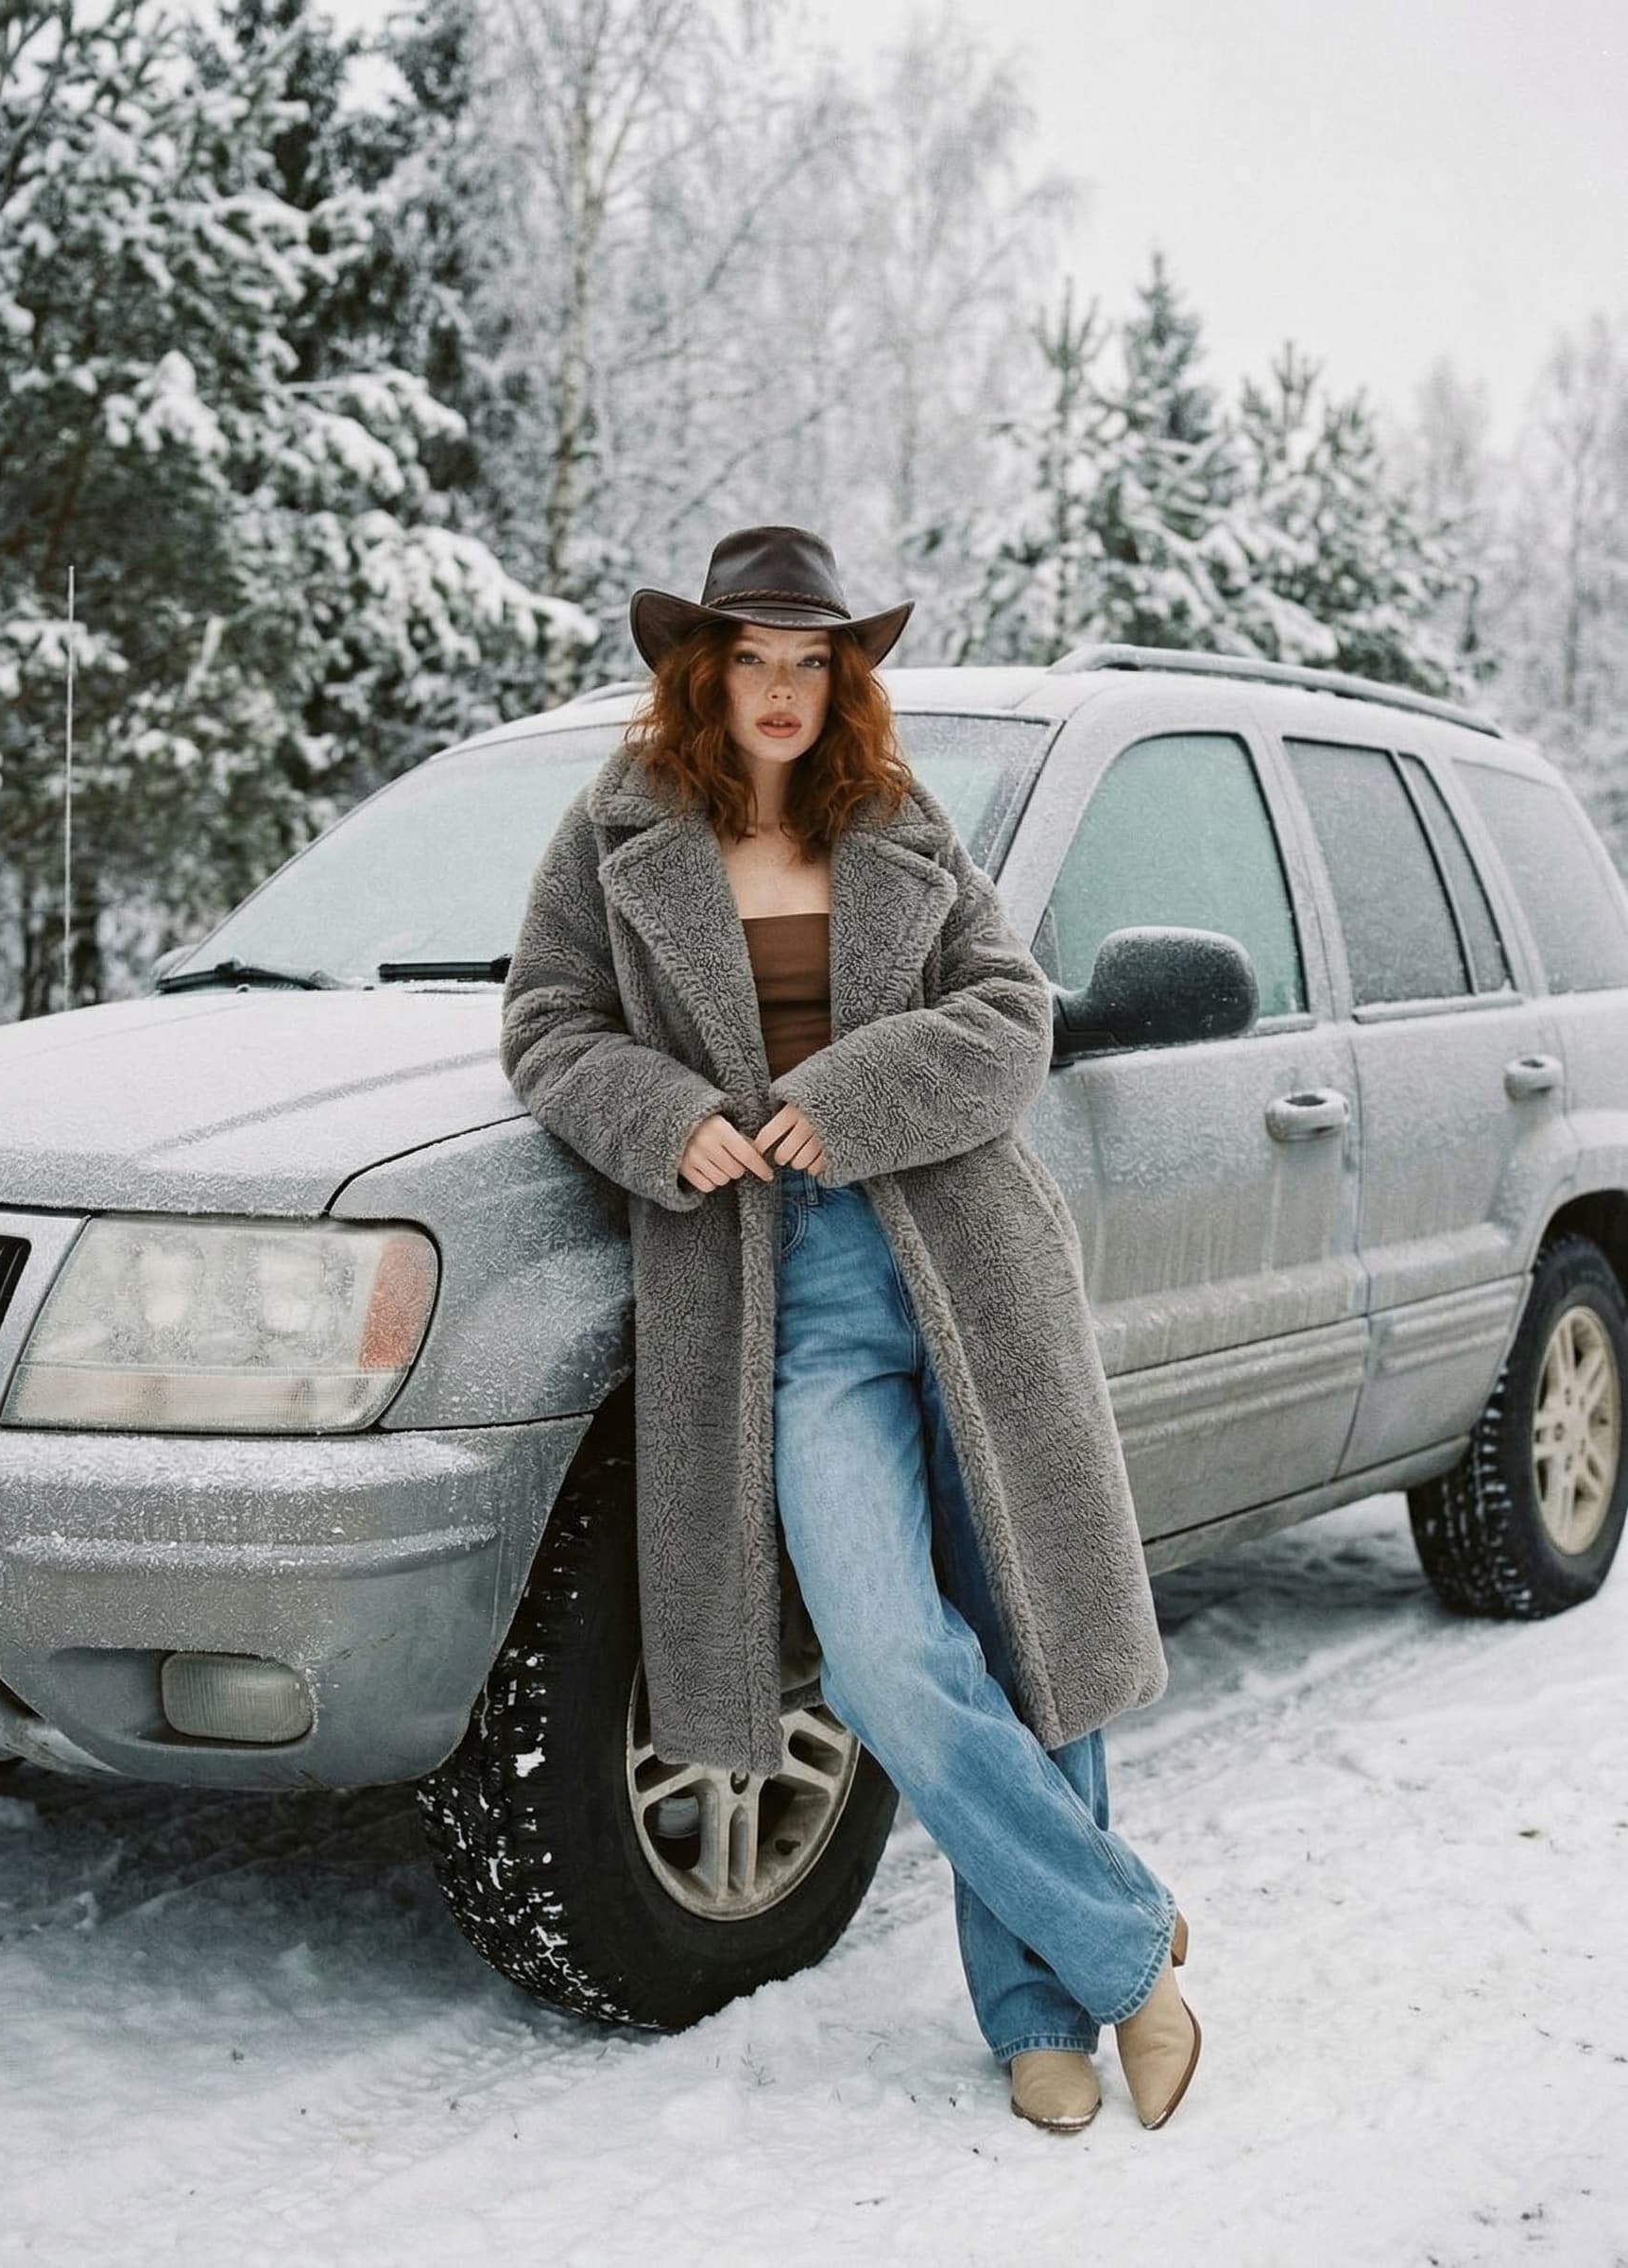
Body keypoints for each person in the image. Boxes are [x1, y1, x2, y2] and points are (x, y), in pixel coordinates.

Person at [501, 524, 1201, 2131]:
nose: (782, 691)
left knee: (1024, 1635)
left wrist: (849, 1091)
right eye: (753, 657)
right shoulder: (613, 829)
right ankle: (1125, 1941)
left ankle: (1035, 2014)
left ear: (844, 679)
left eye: (812, 661)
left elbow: (1011, 1010)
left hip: (966, 1268)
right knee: (886, 1659)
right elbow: (545, 1018)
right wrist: (663, 1113)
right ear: (702, 668)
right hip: (770, 1297)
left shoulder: (893, 816)